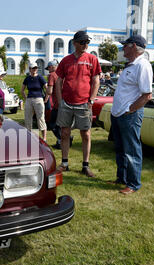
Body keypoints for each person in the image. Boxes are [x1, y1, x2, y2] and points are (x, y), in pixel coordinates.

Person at [54, 31, 101, 177]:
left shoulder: (92, 59)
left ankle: (85, 165)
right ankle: (65, 163)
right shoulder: (66, 60)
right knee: (65, 133)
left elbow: (96, 81)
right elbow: (58, 81)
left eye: (87, 42)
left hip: (84, 104)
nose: (85, 45)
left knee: (86, 134)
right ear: (74, 43)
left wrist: (91, 100)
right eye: (82, 42)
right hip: (67, 103)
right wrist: (60, 100)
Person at [110, 35, 152, 195]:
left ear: (133, 46)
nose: (123, 49)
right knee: (120, 148)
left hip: (129, 115)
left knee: (131, 150)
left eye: (125, 46)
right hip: (119, 114)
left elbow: (147, 95)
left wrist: (130, 109)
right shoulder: (131, 65)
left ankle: (133, 184)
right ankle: (122, 178)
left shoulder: (143, 65)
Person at [21, 62, 47, 141]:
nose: (35, 69)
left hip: (39, 99)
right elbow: (22, 90)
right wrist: (26, 99)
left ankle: (44, 138)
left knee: (41, 118)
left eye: (36, 68)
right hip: (29, 99)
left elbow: (47, 88)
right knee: (28, 118)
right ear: (30, 69)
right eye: (33, 68)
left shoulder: (40, 77)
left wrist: (46, 98)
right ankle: (30, 138)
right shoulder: (27, 78)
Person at [45, 60, 62, 149]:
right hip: (65, 102)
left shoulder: (52, 75)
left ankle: (61, 140)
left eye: (49, 68)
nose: (48, 70)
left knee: (52, 124)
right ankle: (64, 140)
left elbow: (50, 91)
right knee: (61, 124)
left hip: (57, 104)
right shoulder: (61, 74)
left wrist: (47, 88)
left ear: (52, 66)